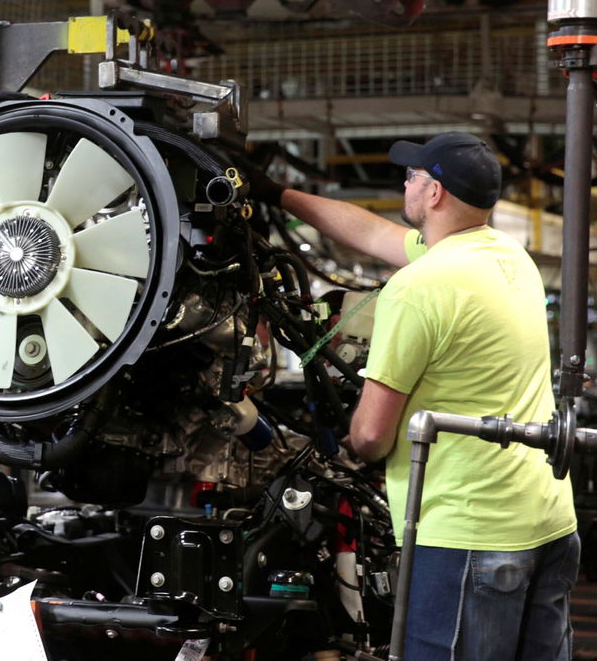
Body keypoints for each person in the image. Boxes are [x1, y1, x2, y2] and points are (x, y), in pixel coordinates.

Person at [248, 133, 579, 660]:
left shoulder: (419, 286)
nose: (404, 181)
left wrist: (344, 442)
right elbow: (372, 231)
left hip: (467, 536)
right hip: (548, 523)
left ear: (435, 194)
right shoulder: (508, 256)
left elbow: (372, 435)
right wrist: (277, 194)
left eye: (412, 175)